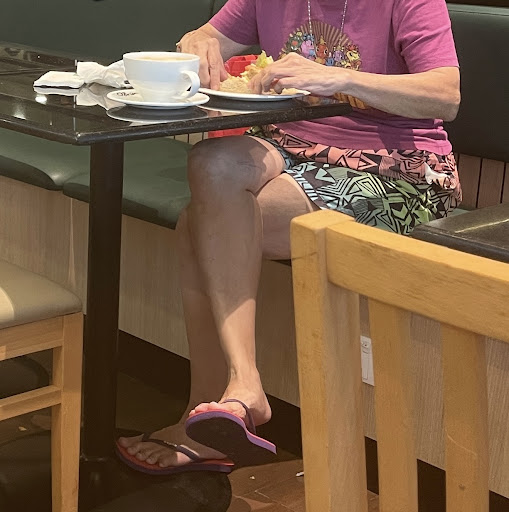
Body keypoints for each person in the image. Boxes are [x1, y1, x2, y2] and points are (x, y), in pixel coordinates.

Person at [117, 0, 461, 472]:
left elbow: (445, 94)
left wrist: (339, 78)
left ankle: (214, 407)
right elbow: (211, 36)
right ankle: (242, 387)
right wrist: (197, 41)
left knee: (197, 226)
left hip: (397, 168)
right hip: (292, 143)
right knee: (210, 162)